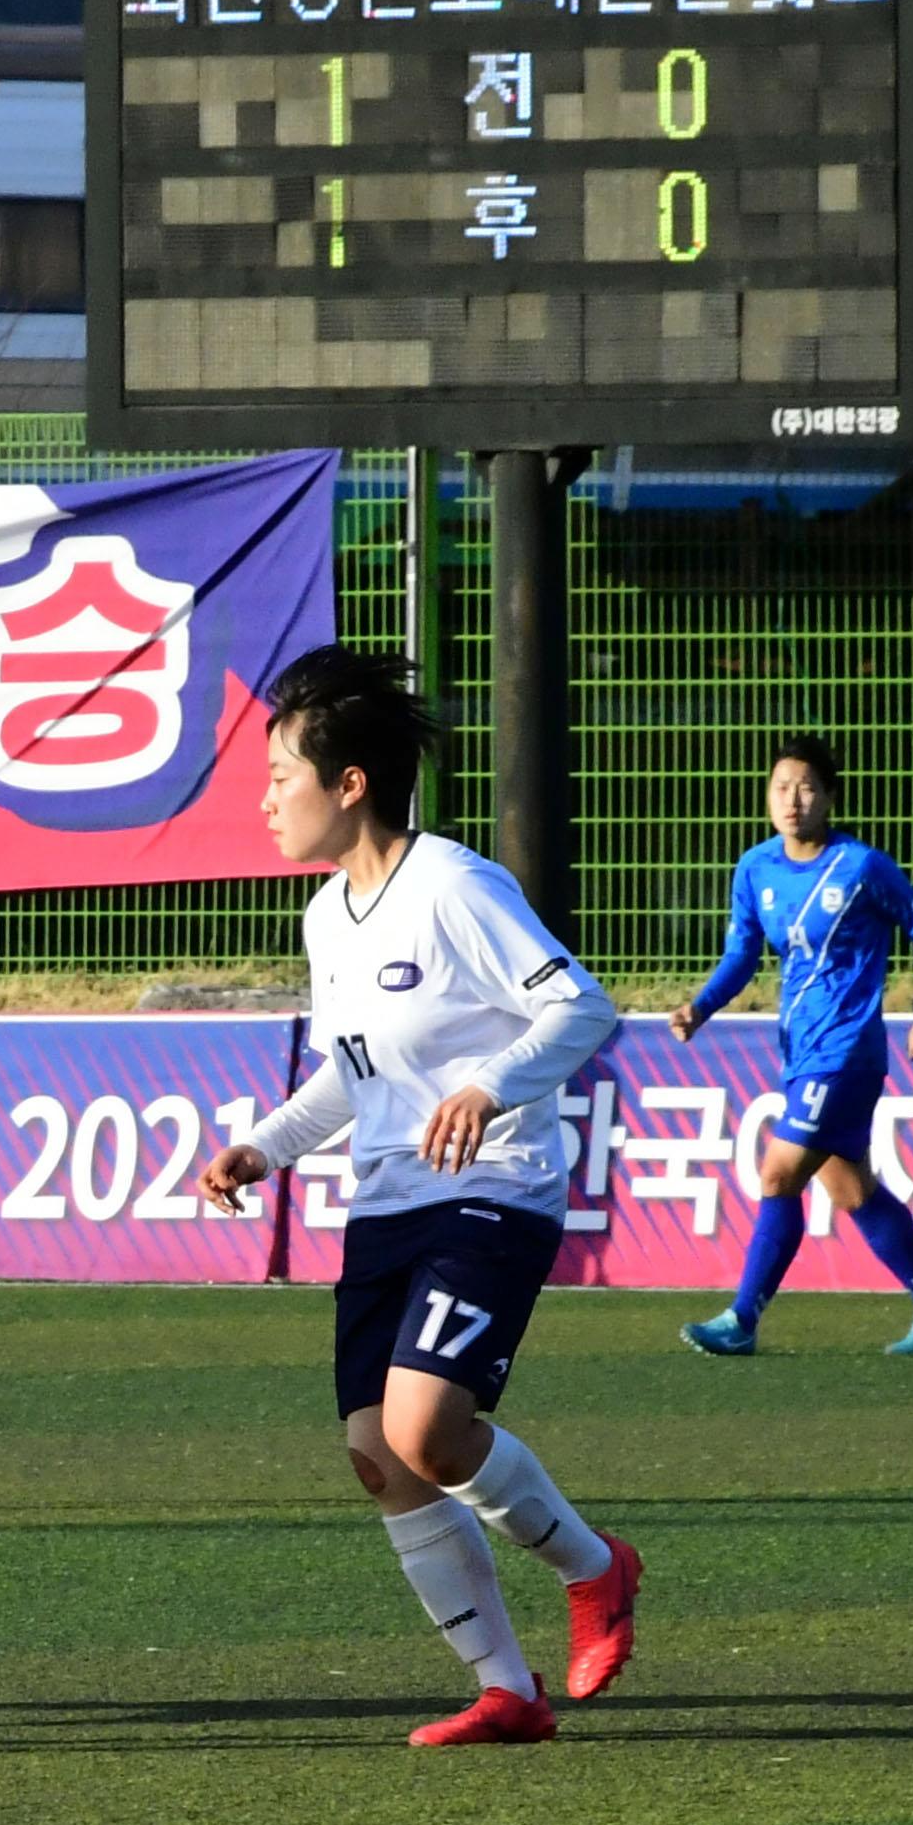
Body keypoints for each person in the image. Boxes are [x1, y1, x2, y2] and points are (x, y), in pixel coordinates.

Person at [197, 647, 642, 1748]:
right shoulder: (324, 917)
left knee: (426, 1425)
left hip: (492, 1190)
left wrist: (490, 1087)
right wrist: (266, 1144)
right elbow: (354, 1074)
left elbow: (583, 1009)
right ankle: (508, 1689)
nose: (264, 799)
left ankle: (597, 1569)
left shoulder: (452, 884)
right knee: (378, 1452)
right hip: (387, 1205)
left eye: (280, 775)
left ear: (350, 784)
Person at [671, 733, 913, 1358]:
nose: (793, 799)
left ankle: (742, 1318)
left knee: (778, 1174)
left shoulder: (859, 866)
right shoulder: (756, 868)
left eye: (807, 787)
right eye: (782, 787)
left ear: (829, 797)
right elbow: (742, 954)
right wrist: (700, 1006)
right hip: (799, 1051)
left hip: (847, 1049)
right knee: (851, 1190)